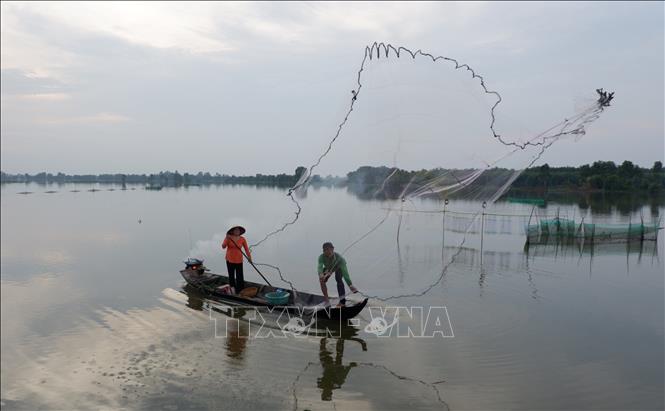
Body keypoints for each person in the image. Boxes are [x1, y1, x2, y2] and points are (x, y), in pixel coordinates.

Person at [317, 242, 358, 307]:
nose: (327, 252)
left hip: (338, 267)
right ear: (323, 251)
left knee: (338, 278)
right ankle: (327, 300)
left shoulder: (340, 259)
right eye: (325, 250)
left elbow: (345, 273)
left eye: (329, 249)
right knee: (321, 280)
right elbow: (320, 266)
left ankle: (342, 302)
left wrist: (350, 284)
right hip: (328, 269)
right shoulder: (321, 257)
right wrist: (321, 274)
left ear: (333, 249)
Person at [221, 225, 252, 293]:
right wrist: (226, 238)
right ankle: (233, 290)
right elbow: (223, 246)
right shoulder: (229, 237)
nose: (237, 231)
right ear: (232, 231)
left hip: (239, 260)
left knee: (239, 276)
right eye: (235, 230)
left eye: (238, 230)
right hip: (230, 259)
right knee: (231, 275)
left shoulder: (242, 239)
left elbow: (246, 249)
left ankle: (240, 291)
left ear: (240, 231)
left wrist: (249, 258)